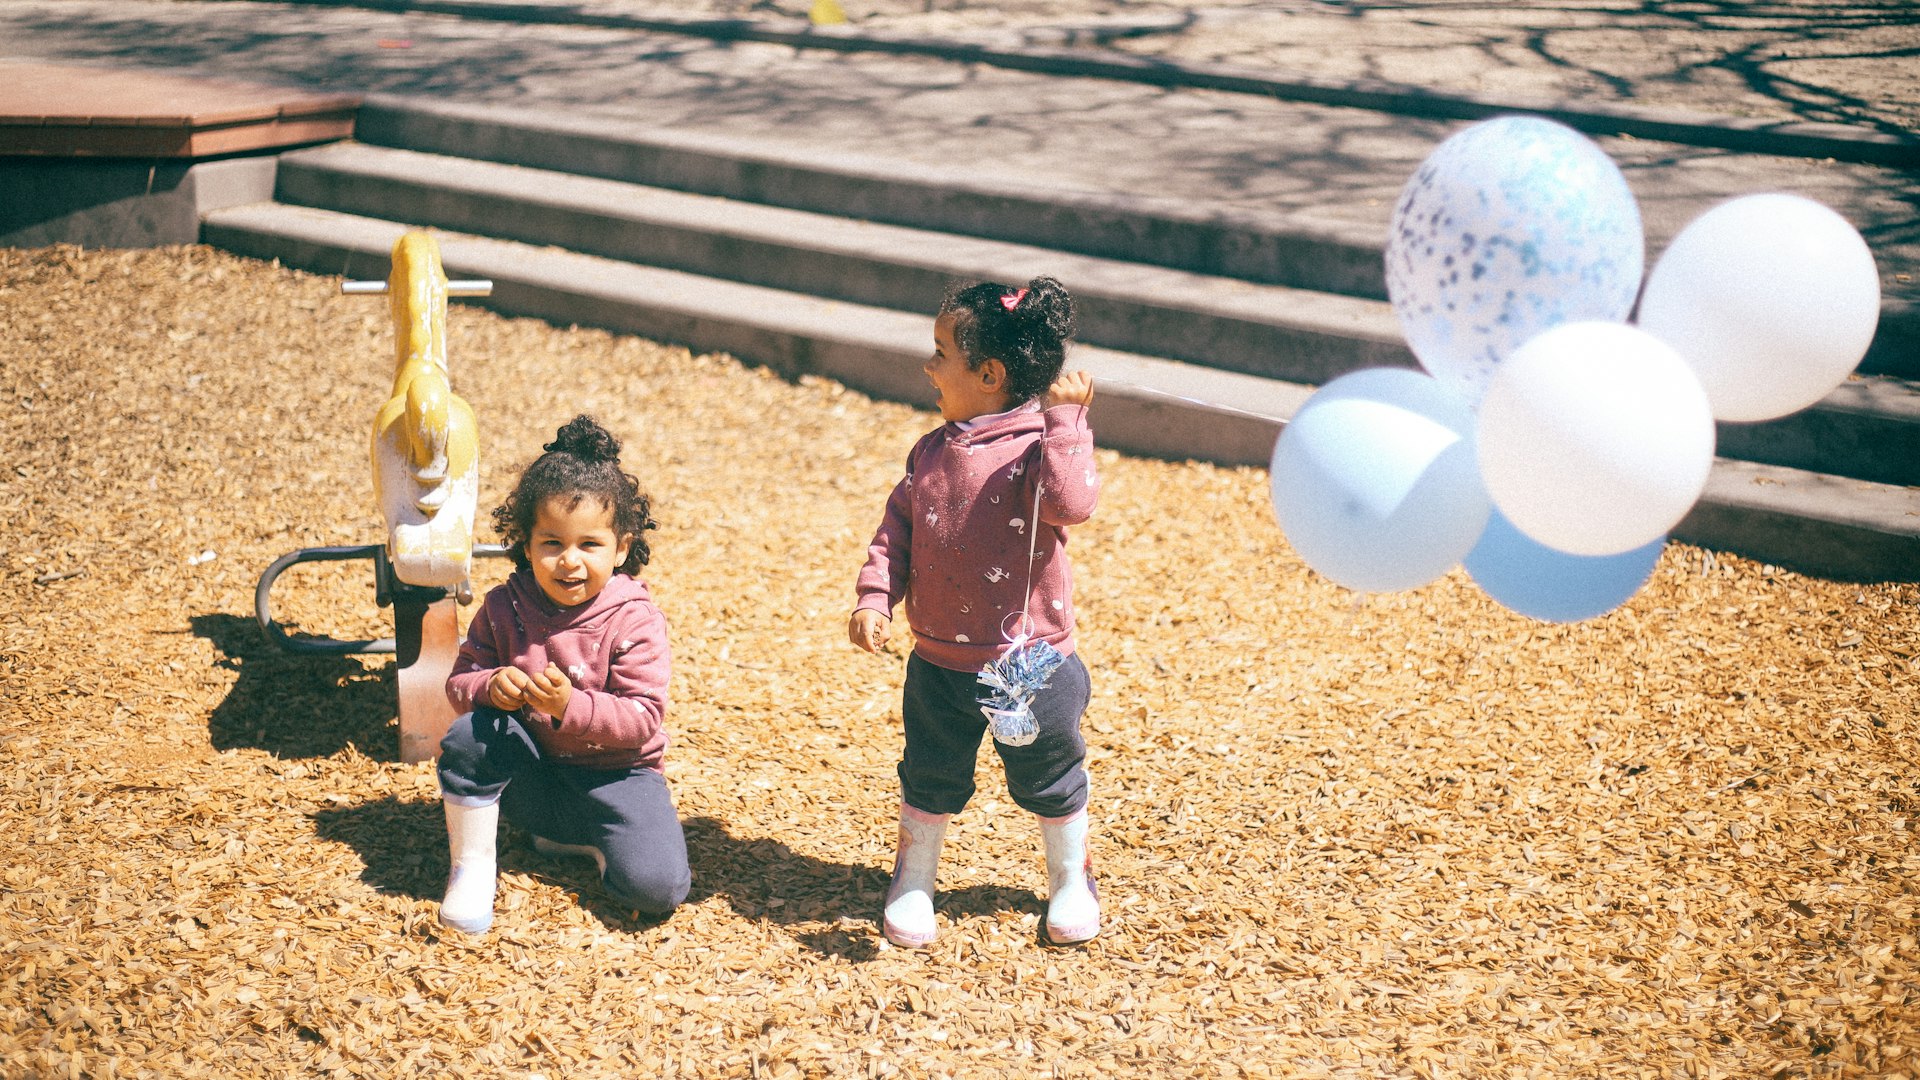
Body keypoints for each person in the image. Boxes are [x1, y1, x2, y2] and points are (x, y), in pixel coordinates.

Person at [848, 276, 1102, 948]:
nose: (927, 366)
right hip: (938, 662)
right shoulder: (931, 451)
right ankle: (914, 877)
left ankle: (1072, 877)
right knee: (930, 771)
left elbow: (1073, 503)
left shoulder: (1037, 449)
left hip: (1030, 664)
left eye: (941, 353)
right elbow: (896, 528)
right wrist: (876, 595)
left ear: (988, 374)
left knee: (1049, 772)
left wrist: (1069, 424)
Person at [436, 415, 691, 934]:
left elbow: (642, 719)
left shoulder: (633, 618)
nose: (568, 561)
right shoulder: (504, 606)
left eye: (589, 545)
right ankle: (474, 866)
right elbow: (460, 681)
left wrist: (568, 707)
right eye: (551, 543)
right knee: (470, 735)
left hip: (618, 776)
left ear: (621, 547)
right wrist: (489, 685)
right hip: (532, 771)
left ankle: (584, 837)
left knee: (657, 889)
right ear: (525, 545)